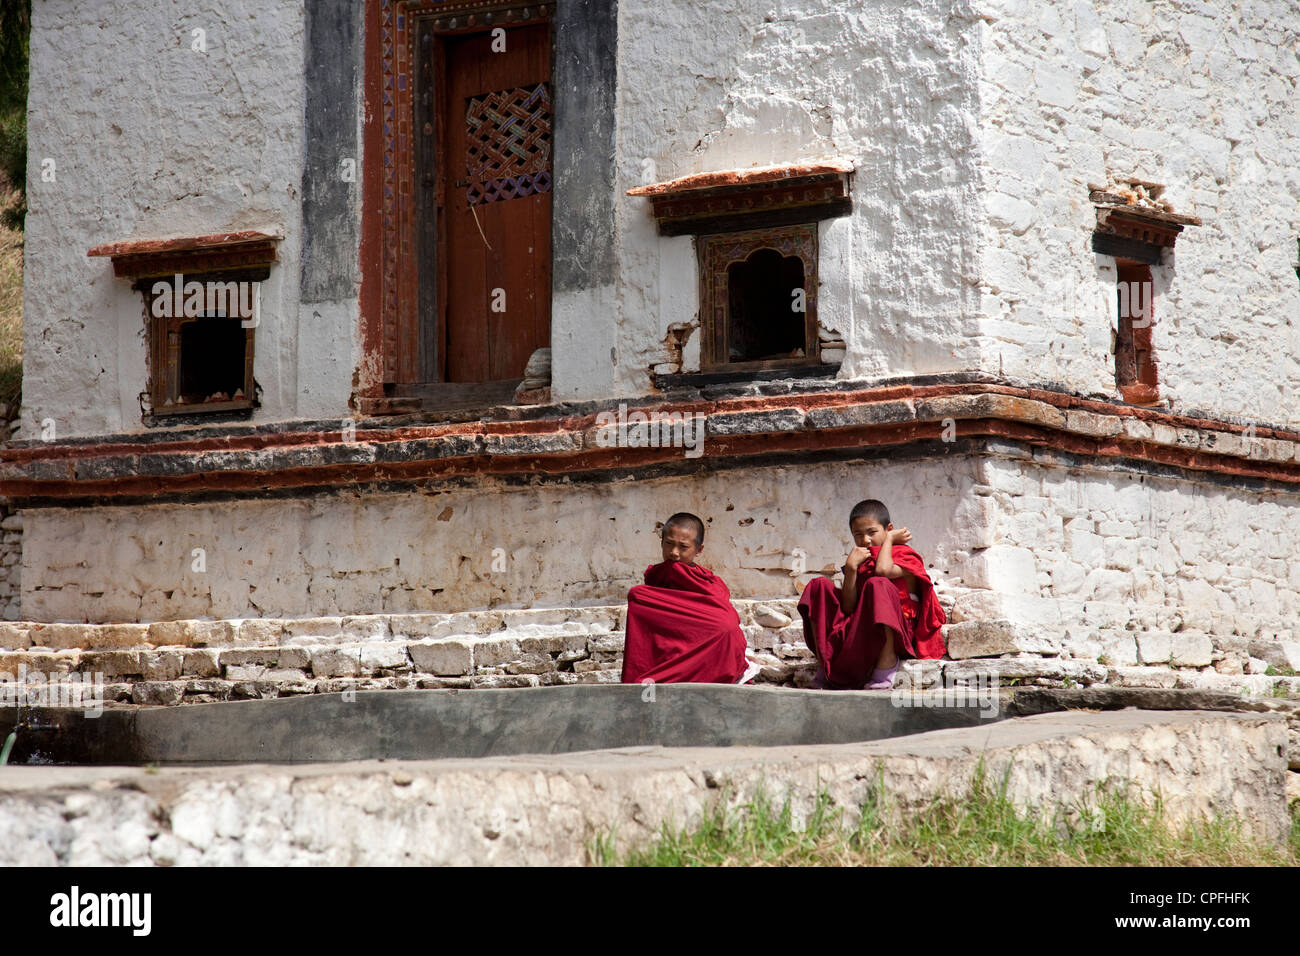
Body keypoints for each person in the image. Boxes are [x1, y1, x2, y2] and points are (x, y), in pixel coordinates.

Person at [797, 499, 946, 690]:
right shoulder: (860, 560)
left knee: (878, 584)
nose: (865, 540)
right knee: (818, 586)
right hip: (863, 627)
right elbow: (849, 607)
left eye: (872, 532)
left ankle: (886, 665)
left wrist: (890, 540)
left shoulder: (905, 554)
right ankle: (825, 666)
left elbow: (883, 572)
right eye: (858, 535)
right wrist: (851, 569)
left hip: (898, 631)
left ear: (888, 528)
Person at [620, 512, 757, 685]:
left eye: (683, 547)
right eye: (669, 544)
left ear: (699, 550)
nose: (674, 553)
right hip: (670, 652)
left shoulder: (707, 583)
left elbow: (725, 623)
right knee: (637, 594)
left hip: (710, 657)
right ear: (661, 543)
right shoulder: (657, 578)